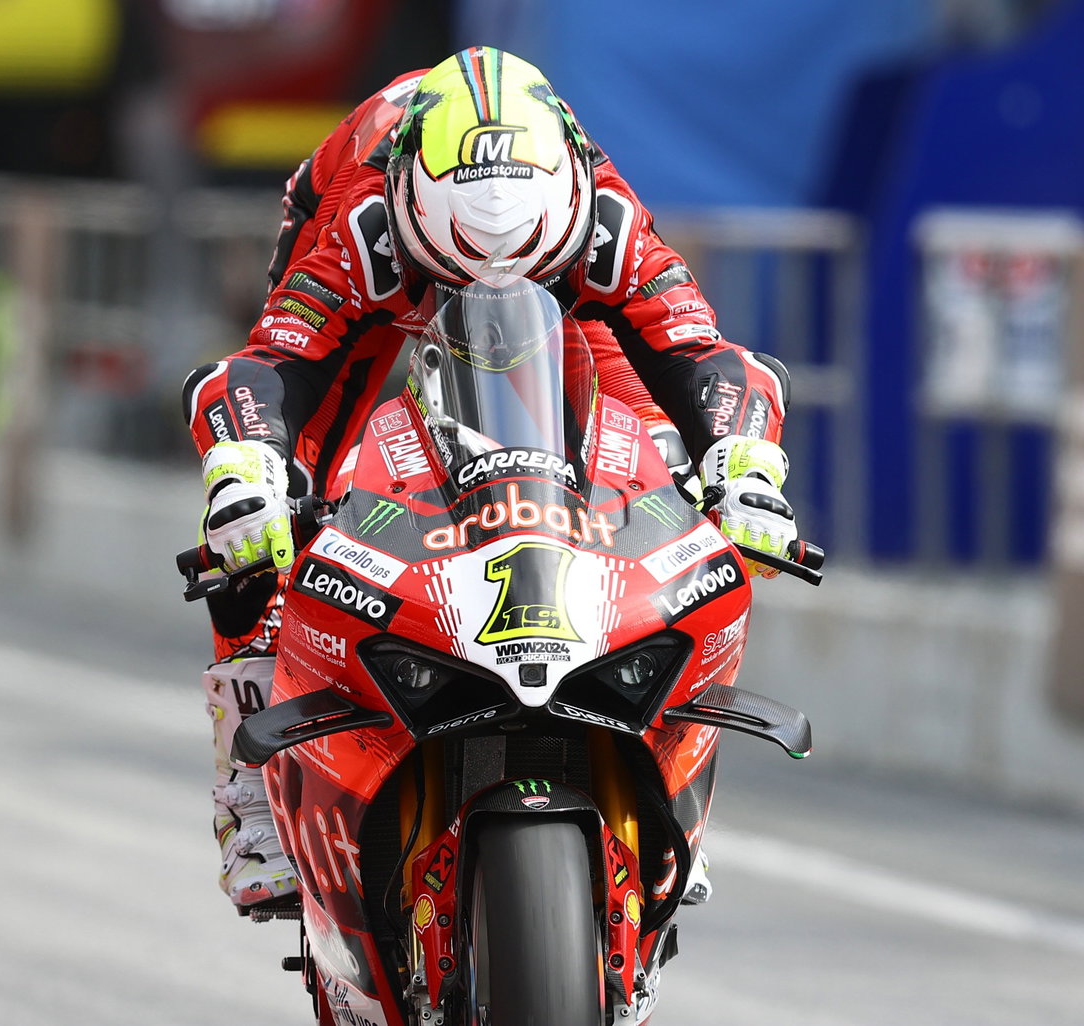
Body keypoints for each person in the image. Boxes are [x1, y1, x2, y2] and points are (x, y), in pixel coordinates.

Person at [183, 46, 798, 911]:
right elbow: (266, 368)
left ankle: (662, 762)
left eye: (520, 263)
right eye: (463, 265)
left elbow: (702, 354)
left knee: (669, 476)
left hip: (561, 302)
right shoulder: (368, 220)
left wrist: (744, 467)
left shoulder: (602, 214)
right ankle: (246, 798)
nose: (489, 291)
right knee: (269, 504)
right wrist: (245, 465)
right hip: (370, 270)